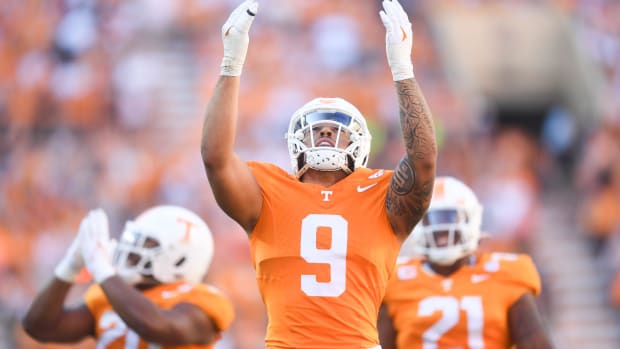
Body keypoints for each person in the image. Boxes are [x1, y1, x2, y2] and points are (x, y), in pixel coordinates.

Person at [201, 0, 436, 347]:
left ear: (359, 142)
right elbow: (215, 158)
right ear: (295, 139)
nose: (325, 132)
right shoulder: (267, 190)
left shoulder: (381, 193)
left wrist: (402, 69)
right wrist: (231, 63)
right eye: (315, 127)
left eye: (338, 127)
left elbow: (424, 160)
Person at [377, 176, 555, 349]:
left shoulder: (506, 275)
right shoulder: (395, 279)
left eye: (450, 219)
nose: (442, 230)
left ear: (472, 220)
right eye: (433, 220)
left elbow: (535, 342)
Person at [22, 205, 234, 349]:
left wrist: (103, 271)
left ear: (179, 260)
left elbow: (159, 327)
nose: (131, 249)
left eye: (146, 243)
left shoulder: (202, 300)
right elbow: (40, 326)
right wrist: (69, 267)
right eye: (133, 239)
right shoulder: (110, 295)